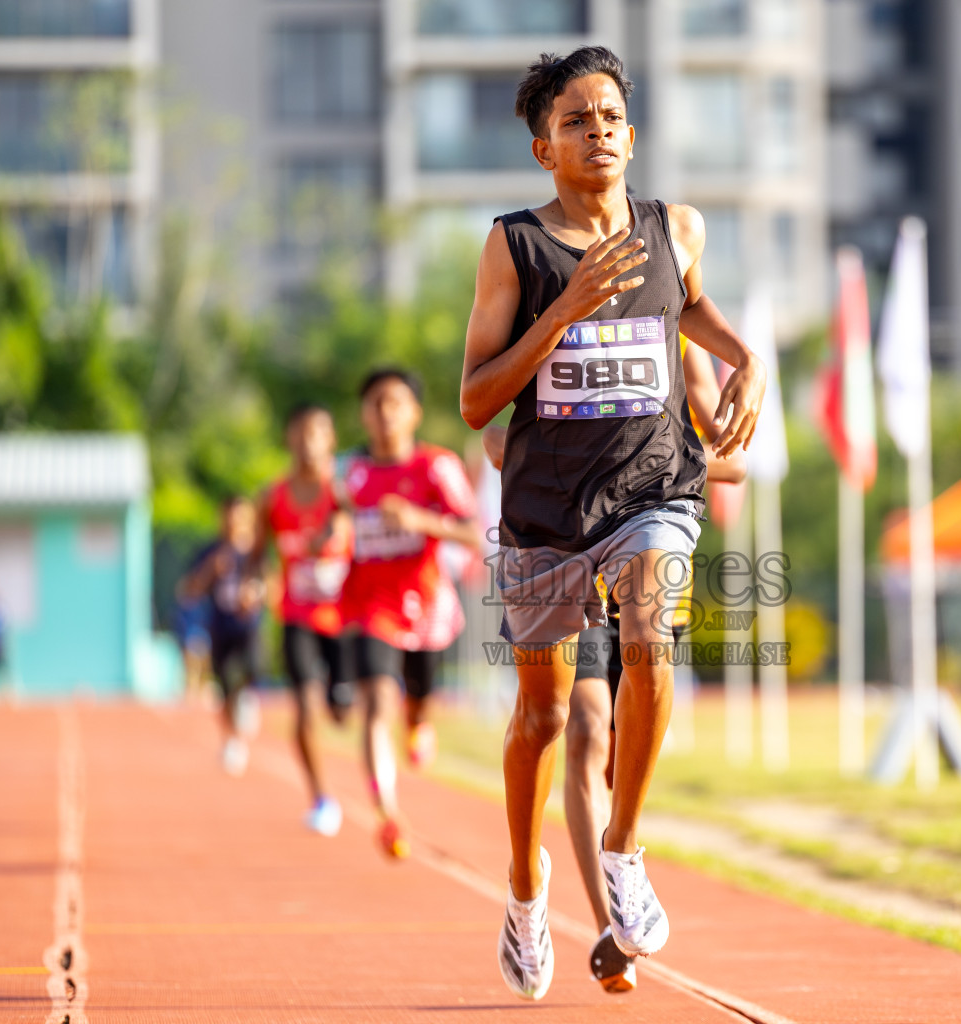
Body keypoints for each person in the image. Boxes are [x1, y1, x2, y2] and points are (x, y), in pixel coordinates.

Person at [459, 47, 764, 1001]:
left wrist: (747, 357)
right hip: (547, 509)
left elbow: (694, 308)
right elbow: (474, 401)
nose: (597, 129)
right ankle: (523, 888)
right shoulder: (515, 246)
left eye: (611, 116)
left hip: (653, 492)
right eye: (576, 119)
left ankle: (624, 848)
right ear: (544, 147)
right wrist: (564, 313)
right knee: (543, 716)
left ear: (631, 136)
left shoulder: (675, 228)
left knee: (649, 634)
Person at [482, 340, 747, 995]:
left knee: (623, 739)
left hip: (647, 537)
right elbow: (492, 435)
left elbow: (732, 461)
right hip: (562, 540)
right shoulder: (549, 308)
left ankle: (621, 852)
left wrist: (653, 464)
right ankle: (605, 926)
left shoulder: (672, 329)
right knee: (581, 727)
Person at [334, 367, 481, 859]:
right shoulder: (349, 476)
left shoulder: (436, 467)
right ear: (363, 414)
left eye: (395, 403)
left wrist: (419, 520)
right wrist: (329, 537)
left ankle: (418, 721)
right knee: (377, 703)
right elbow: (328, 525)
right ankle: (388, 814)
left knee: (415, 703)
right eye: (375, 403)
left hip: (425, 609)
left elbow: (475, 533)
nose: (385, 413)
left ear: (414, 412)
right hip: (367, 606)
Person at [255, 402, 354, 837]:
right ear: (289, 440)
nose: (309, 443)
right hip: (296, 616)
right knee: (305, 709)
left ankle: (342, 700)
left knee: (341, 711)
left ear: (330, 440)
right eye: (301, 433)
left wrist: (333, 535)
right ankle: (321, 797)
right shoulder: (271, 498)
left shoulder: (343, 491)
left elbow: (351, 526)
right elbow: (258, 556)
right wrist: (256, 582)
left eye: (318, 433)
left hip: (343, 617)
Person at [178, 495, 267, 776]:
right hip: (220, 626)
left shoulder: (257, 552)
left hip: (249, 626)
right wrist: (209, 572)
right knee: (226, 686)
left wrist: (254, 596)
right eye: (228, 517)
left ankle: (247, 700)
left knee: (253, 671)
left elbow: (272, 584)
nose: (233, 524)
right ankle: (232, 741)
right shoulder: (210, 552)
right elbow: (188, 591)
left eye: (239, 517)